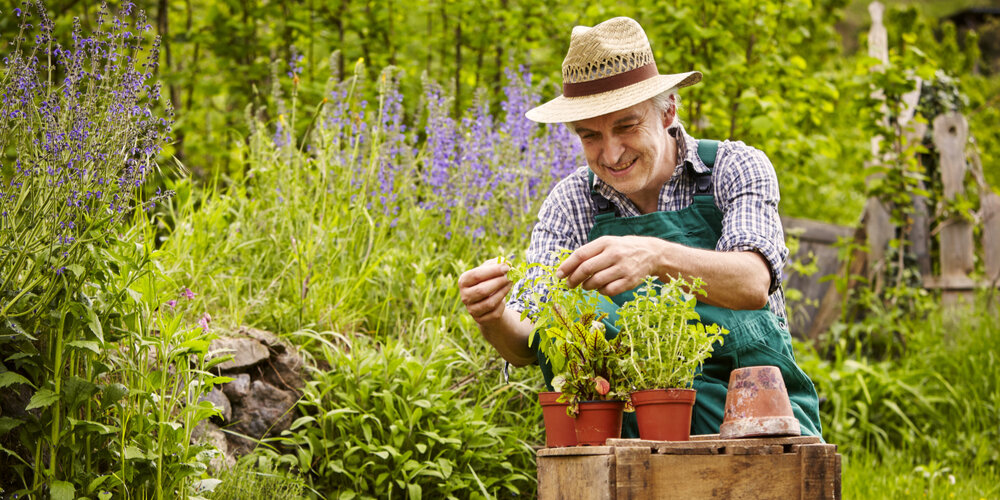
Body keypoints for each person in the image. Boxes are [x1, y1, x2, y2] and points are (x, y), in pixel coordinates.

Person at [458, 16, 822, 438]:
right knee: (566, 321)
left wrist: (654, 256)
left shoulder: (733, 169)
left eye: (626, 126)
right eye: (590, 135)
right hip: (626, 431)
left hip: (756, 417)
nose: (610, 154)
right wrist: (495, 316)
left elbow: (754, 281)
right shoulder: (571, 202)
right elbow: (527, 339)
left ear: (668, 110)